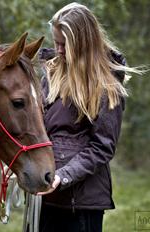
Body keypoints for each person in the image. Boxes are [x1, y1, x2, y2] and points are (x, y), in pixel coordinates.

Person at [36, 2, 142, 232]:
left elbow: (102, 146)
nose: (59, 50)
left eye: (66, 45)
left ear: (84, 43)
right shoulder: (51, 73)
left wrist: (63, 176)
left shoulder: (106, 86)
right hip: (44, 199)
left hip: (82, 205)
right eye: (56, 43)